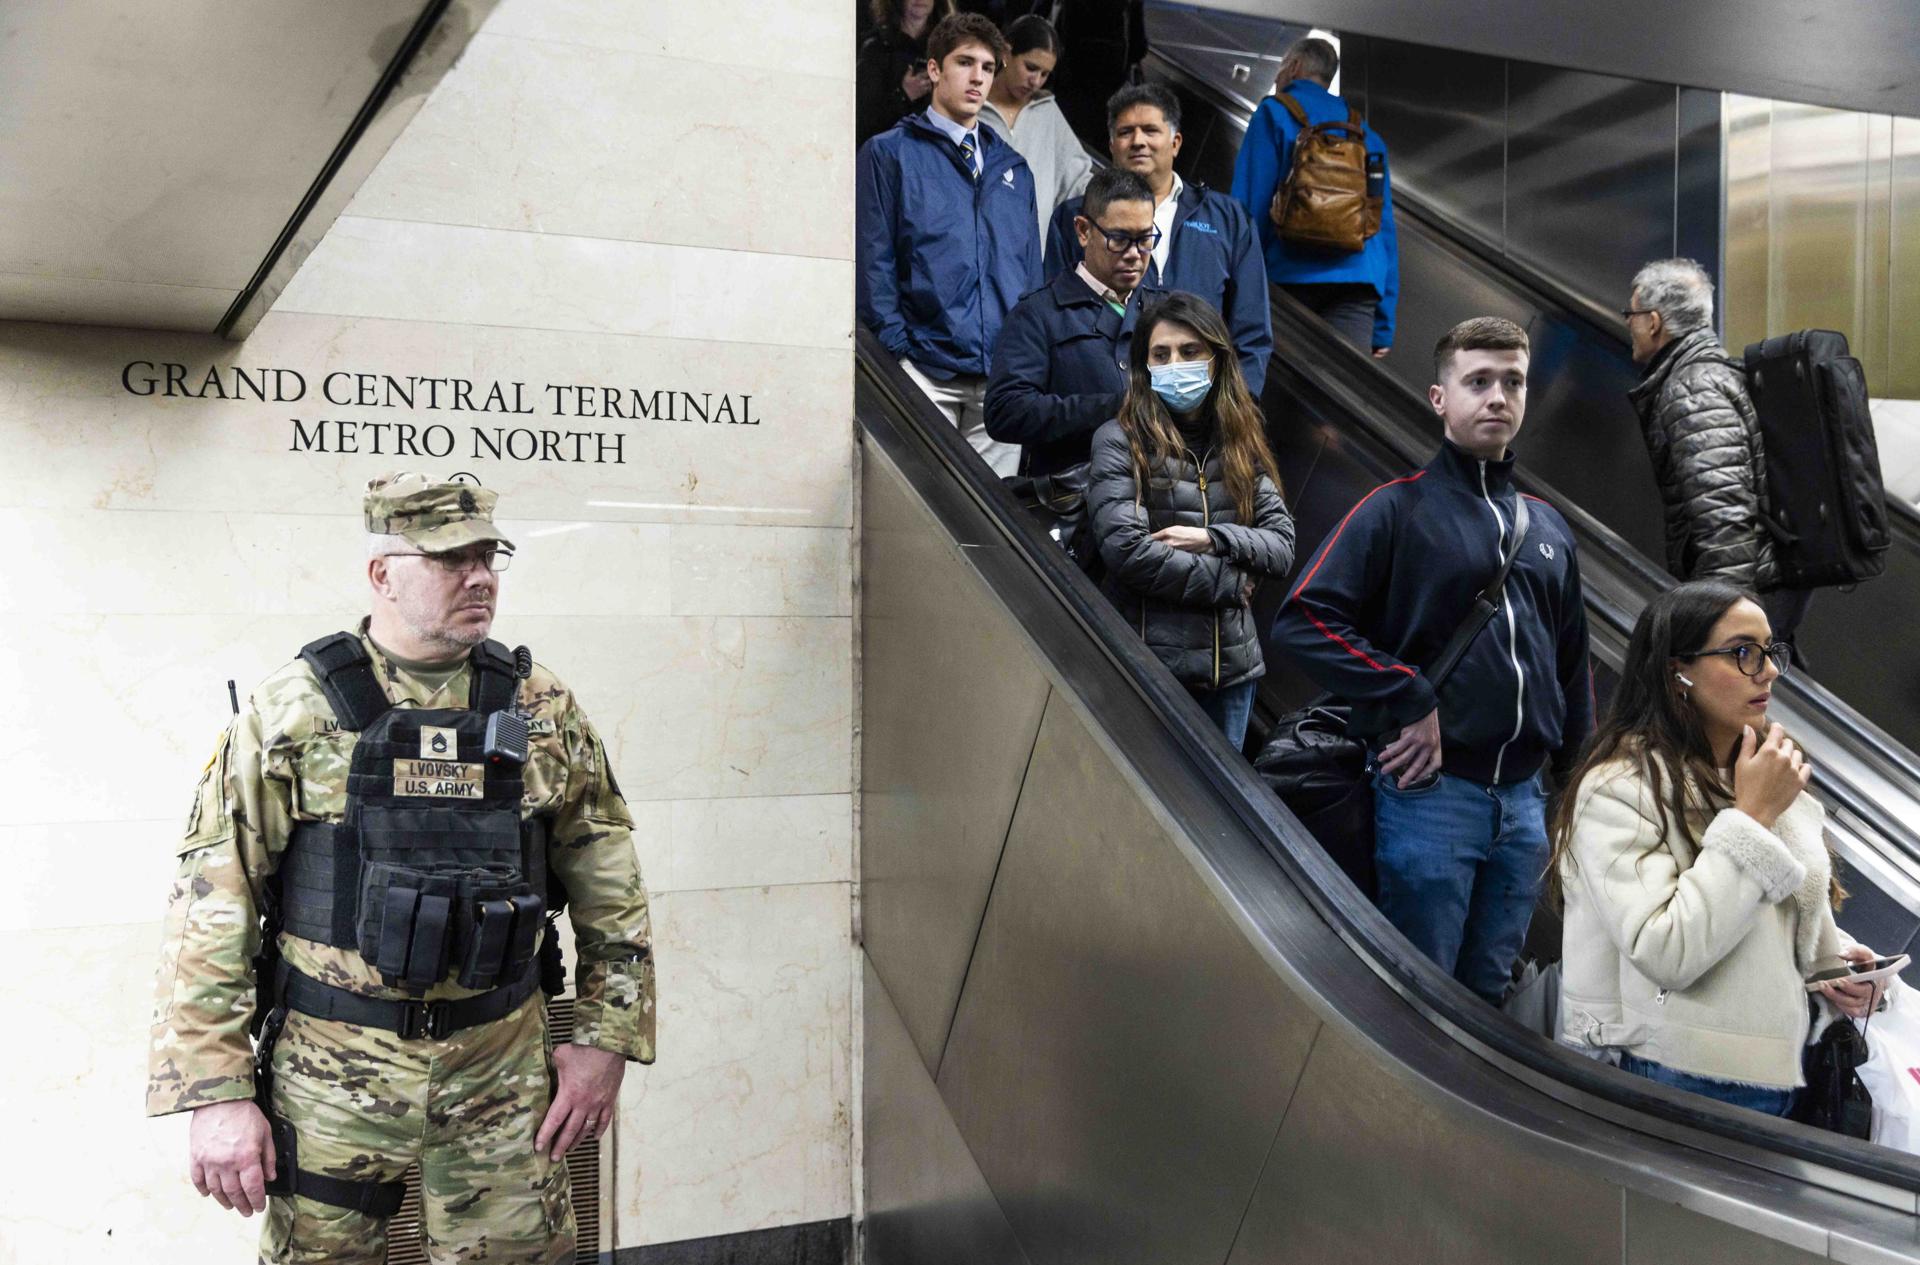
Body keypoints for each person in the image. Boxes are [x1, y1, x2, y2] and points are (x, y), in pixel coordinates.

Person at [147, 474, 656, 1263]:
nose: (480, 576)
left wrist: (604, 1038)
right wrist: (215, 1091)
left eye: (490, 555)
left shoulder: (540, 707)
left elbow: (609, 881)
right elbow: (214, 901)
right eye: (453, 559)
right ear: (382, 573)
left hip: (501, 1072)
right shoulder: (293, 710)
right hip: (330, 1078)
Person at [1271, 317, 1594, 1004]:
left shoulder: (1550, 529)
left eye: (1513, 381)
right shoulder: (1397, 509)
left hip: (1525, 807)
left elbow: (1571, 667)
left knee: (1486, 994)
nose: (1498, 396)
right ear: (1439, 397)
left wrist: (1578, 790)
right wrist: (1409, 693)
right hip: (1431, 798)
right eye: (1478, 381)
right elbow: (1302, 621)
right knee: (1416, 996)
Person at [1553, 580, 1891, 1114]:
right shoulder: (1621, 787)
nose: (1770, 670)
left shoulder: (1763, 770)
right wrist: (1753, 817)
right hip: (1670, 1071)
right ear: (1676, 672)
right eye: (1743, 654)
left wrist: (1839, 970)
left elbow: (1770, 913)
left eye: (1769, 652)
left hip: (1781, 1072)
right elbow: (1666, 950)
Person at [1086, 292, 1295, 748]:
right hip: (1150, 669)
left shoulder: (1241, 443)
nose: (1175, 363)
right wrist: (1230, 583)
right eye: (1161, 354)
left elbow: (1281, 546)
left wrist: (1212, 537)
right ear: (1145, 365)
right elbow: (1129, 551)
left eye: (1190, 351)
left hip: (1232, 674)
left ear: (1217, 360)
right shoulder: (1119, 441)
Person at [857, 13, 1044, 476]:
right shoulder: (888, 153)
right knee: (919, 516)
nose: (978, 77)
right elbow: (873, 262)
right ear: (935, 69)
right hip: (924, 369)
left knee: (994, 526)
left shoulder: (1014, 168)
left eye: (987, 66)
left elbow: (1030, 271)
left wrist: (1024, 358)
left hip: (1000, 380)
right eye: (965, 63)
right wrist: (899, 351)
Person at [1624, 258, 1809, 648]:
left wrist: (1728, 626)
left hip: (1747, 594)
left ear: (1654, 321)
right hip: (1762, 589)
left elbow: (1724, 512)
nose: (1629, 324)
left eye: (1632, 314)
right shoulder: (1711, 373)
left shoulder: (1693, 388)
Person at [1046, 84, 1274, 396]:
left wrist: (1238, 407)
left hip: (1200, 409)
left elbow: (1252, 329)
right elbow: (1055, 317)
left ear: (1175, 142)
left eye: (1150, 130)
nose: (1138, 141)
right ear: (1112, 145)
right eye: (1126, 132)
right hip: (1104, 406)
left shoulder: (1228, 219)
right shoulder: (1077, 219)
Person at [985, 167, 1162, 477]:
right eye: (1119, 239)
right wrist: (1110, 409)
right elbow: (1004, 412)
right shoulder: (1038, 313)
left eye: (1145, 239)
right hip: (1071, 504)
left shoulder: (1166, 311)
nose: (1135, 254)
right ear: (1083, 231)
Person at [1230, 37, 1399, 359]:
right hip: (1357, 284)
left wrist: (1237, 289)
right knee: (1341, 394)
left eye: (1280, 70)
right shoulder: (1366, 134)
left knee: (1273, 389)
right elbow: (1384, 229)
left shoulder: (1274, 113)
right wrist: (1383, 325)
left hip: (1289, 275)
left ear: (1293, 67)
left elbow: (1248, 204)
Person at [979, 15, 1094, 245]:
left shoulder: (1047, 112)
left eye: (1045, 74)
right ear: (1005, 52)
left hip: (1027, 259)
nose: (1036, 81)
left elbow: (1077, 180)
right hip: (973, 252)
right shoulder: (971, 108)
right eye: (1030, 68)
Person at [856, 0, 957, 146]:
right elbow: (862, 120)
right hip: (888, 152)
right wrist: (904, 95)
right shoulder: (876, 48)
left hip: (935, 150)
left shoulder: (950, 49)